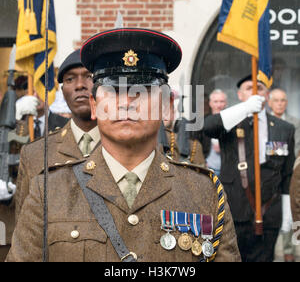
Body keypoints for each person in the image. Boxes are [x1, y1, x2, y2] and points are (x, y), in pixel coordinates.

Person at [7, 28, 241, 262]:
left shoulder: (203, 192)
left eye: (143, 90)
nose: (127, 102)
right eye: (113, 91)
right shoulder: (49, 190)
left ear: (167, 105)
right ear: (94, 104)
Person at [204, 75, 295, 262]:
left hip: (269, 211)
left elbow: (286, 173)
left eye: (260, 88)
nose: (255, 91)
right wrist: (245, 108)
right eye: (248, 88)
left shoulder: (283, 128)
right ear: (239, 94)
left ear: (267, 95)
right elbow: (208, 127)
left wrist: (287, 210)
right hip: (236, 209)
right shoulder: (230, 122)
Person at [14, 49, 101, 220]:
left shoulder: (125, 146)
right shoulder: (35, 154)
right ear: (62, 90)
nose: (79, 85)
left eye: (89, 76)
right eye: (70, 79)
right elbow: (25, 231)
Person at [268, 88, 299, 262]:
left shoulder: (295, 123)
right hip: (270, 175)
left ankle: (288, 250)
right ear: (270, 102)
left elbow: (296, 148)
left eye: (283, 100)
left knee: (289, 213)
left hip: (290, 172)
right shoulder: (263, 122)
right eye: (277, 100)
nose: (280, 103)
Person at [158, 90, 205, 166]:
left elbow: (202, 173)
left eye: (166, 110)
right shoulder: (148, 142)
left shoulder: (194, 146)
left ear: (174, 112)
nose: (163, 115)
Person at [268, 88, 300, 156]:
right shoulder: (264, 121)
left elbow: (297, 146)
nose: (279, 104)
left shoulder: (296, 122)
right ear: (269, 103)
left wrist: (272, 148)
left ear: (286, 102)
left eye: (282, 100)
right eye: (276, 100)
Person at [203, 89, 227, 176]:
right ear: (210, 103)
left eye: (221, 101)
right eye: (215, 101)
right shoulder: (203, 122)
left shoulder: (231, 121)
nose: (219, 105)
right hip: (209, 168)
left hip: (227, 169)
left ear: (226, 103)